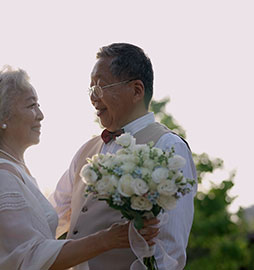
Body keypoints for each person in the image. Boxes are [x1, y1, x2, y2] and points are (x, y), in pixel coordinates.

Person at [0, 66, 159, 270]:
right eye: (31, 106)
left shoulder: (15, 169)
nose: (40, 115)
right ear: (3, 117)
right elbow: (29, 259)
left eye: (38, 105)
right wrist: (108, 239)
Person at [50, 43, 198, 270]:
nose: (93, 98)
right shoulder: (85, 151)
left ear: (137, 90)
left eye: (100, 87)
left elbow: (169, 252)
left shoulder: (169, 147)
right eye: (90, 90)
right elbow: (53, 216)